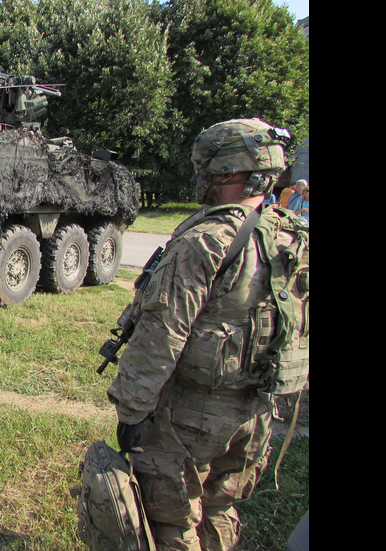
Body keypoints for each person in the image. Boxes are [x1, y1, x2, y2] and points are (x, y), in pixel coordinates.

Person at [106, 118, 309, 551]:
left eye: (207, 167)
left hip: (191, 417)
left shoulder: (207, 240)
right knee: (219, 509)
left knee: (172, 522)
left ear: (228, 171)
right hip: (255, 414)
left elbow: (163, 332)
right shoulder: (293, 236)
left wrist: (132, 411)